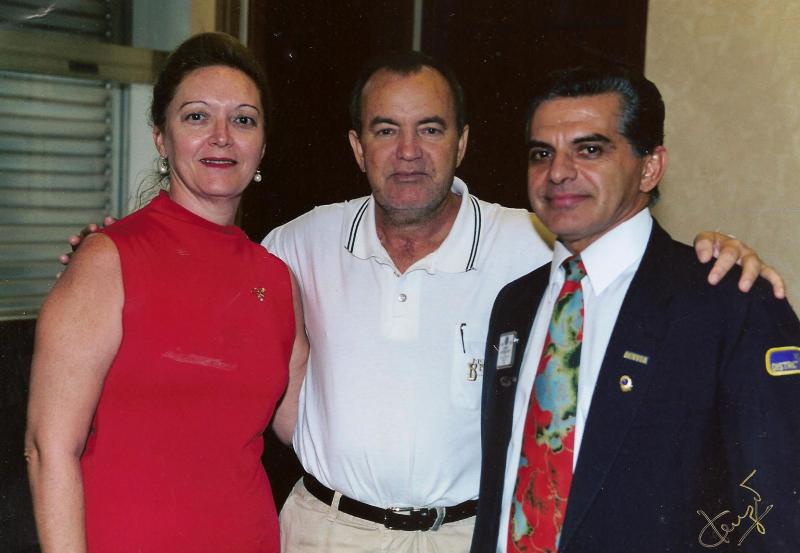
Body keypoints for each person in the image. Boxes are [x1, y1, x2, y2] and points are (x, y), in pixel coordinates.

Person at [63, 53, 783, 553]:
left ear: (462, 143)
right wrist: (107, 255)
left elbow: (633, 266)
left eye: (430, 129)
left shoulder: (536, 246)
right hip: (322, 531)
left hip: (465, 535)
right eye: (386, 130)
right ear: (357, 147)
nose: (408, 151)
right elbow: (199, 282)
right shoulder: (294, 245)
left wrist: (719, 253)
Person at [471, 66, 800, 553]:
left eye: (589, 149)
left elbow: (776, 510)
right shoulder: (515, 305)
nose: (557, 172)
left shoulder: (729, 302)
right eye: (542, 153)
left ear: (650, 167)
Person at [25, 32, 308, 553]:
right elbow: (49, 450)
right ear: (161, 137)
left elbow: (301, 427)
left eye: (243, 120)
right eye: (197, 117)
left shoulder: (277, 280)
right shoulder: (107, 260)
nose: (222, 137)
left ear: (263, 145)